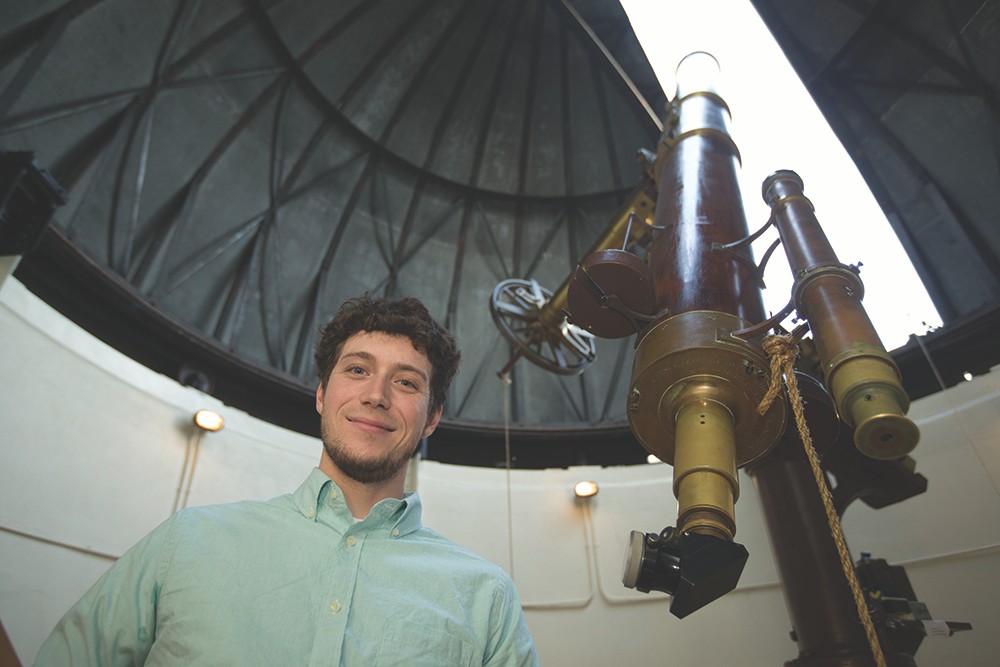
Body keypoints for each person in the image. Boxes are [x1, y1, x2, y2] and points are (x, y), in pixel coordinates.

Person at [35, 294, 540, 666]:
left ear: (431, 418)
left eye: (406, 381)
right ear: (322, 394)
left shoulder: (486, 597)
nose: (377, 395)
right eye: (358, 370)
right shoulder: (184, 543)